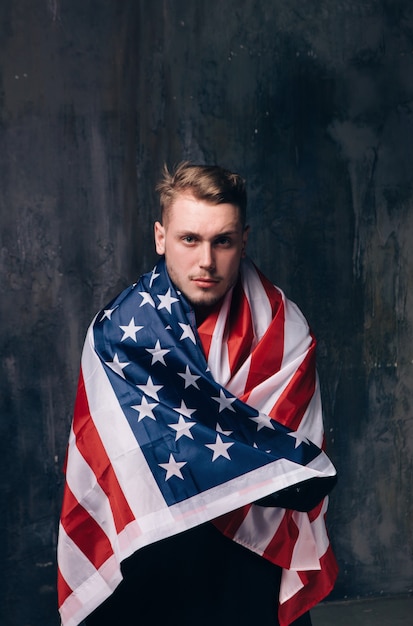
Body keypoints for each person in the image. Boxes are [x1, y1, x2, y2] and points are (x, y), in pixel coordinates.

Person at [57, 163, 337, 626]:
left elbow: (290, 465)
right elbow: (111, 465)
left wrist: (201, 457)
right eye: (190, 239)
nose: (206, 261)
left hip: (249, 559)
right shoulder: (118, 336)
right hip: (153, 553)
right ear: (160, 237)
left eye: (222, 241)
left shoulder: (285, 333)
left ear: (243, 240)